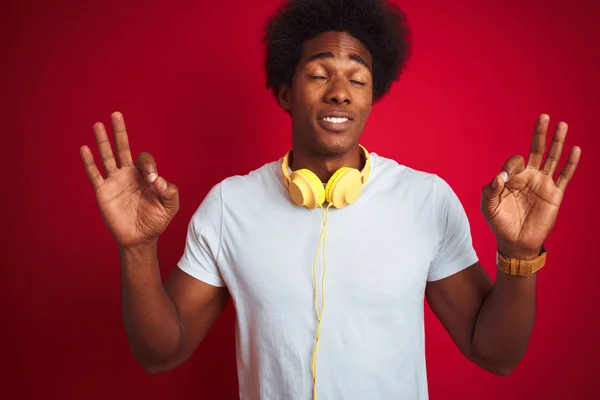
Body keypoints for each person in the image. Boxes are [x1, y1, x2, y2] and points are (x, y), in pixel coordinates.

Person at [79, 0, 581, 399]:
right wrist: (137, 249)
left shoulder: (426, 199)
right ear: (284, 93)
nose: (340, 91)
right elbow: (159, 353)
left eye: (357, 79)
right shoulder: (229, 205)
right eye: (320, 74)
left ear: (370, 96)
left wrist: (518, 256)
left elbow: (496, 354)